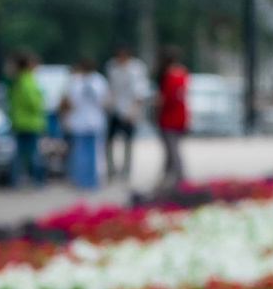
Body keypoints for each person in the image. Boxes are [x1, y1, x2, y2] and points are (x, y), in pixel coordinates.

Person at [104, 47, 148, 183]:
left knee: (128, 142)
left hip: (129, 109)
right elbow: (110, 87)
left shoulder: (136, 68)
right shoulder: (111, 67)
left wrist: (135, 111)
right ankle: (111, 170)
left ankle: (126, 171)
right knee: (109, 141)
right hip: (115, 108)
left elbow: (140, 91)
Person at [62, 59, 107, 192]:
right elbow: (106, 100)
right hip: (95, 121)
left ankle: (80, 180)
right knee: (95, 153)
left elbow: (68, 102)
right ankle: (92, 181)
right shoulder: (99, 80)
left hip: (80, 121)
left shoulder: (75, 81)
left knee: (80, 153)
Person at [6, 49, 47, 185]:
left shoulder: (15, 80)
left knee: (19, 154)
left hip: (18, 121)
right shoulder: (27, 80)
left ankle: (15, 181)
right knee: (33, 155)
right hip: (30, 122)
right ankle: (37, 181)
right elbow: (34, 102)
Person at [157, 50, 191, 190]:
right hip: (181, 115)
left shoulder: (169, 76)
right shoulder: (183, 73)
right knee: (174, 148)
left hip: (169, 117)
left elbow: (166, 99)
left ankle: (178, 177)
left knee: (172, 149)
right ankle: (169, 175)